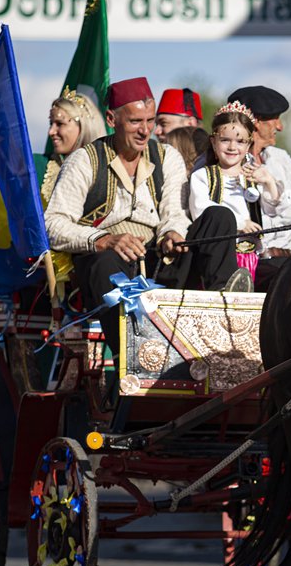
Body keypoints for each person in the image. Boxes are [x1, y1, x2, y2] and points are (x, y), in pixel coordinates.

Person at [45, 77, 249, 358]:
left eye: (150, 121)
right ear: (112, 119)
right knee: (105, 262)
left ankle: (224, 320)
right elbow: (53, 224)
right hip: (111, 268)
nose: (145, 131)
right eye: (135, 122)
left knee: (219, 217)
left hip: (159, 262)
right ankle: (132, 356)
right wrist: (104, 239)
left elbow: (175, 212)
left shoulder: (167, 156)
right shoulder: (84, 160)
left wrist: (172, 233)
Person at [189, 102, 291, 290]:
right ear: (213, 142)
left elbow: (276, 212)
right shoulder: (202, 176)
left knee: (289, 273)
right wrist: (240, 223)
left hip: (252, 259)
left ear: (249, 144)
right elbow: (201, 211)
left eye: (240, 141)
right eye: (225, 140)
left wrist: (269, 182)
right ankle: (224, 287)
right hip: (218, 262)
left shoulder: (254, 176)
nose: (232, 147)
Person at [0, 87, 107, 206]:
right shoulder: (37, 166)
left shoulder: (106, 172)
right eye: (51, 124)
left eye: (60, 124)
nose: (51, 131)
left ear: (83, 126)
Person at [227, 86, 291, 257]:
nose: (280, 127)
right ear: (256, 121)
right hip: (251, 260)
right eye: (276, 119)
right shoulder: (221, 163)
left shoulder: (279, 157)